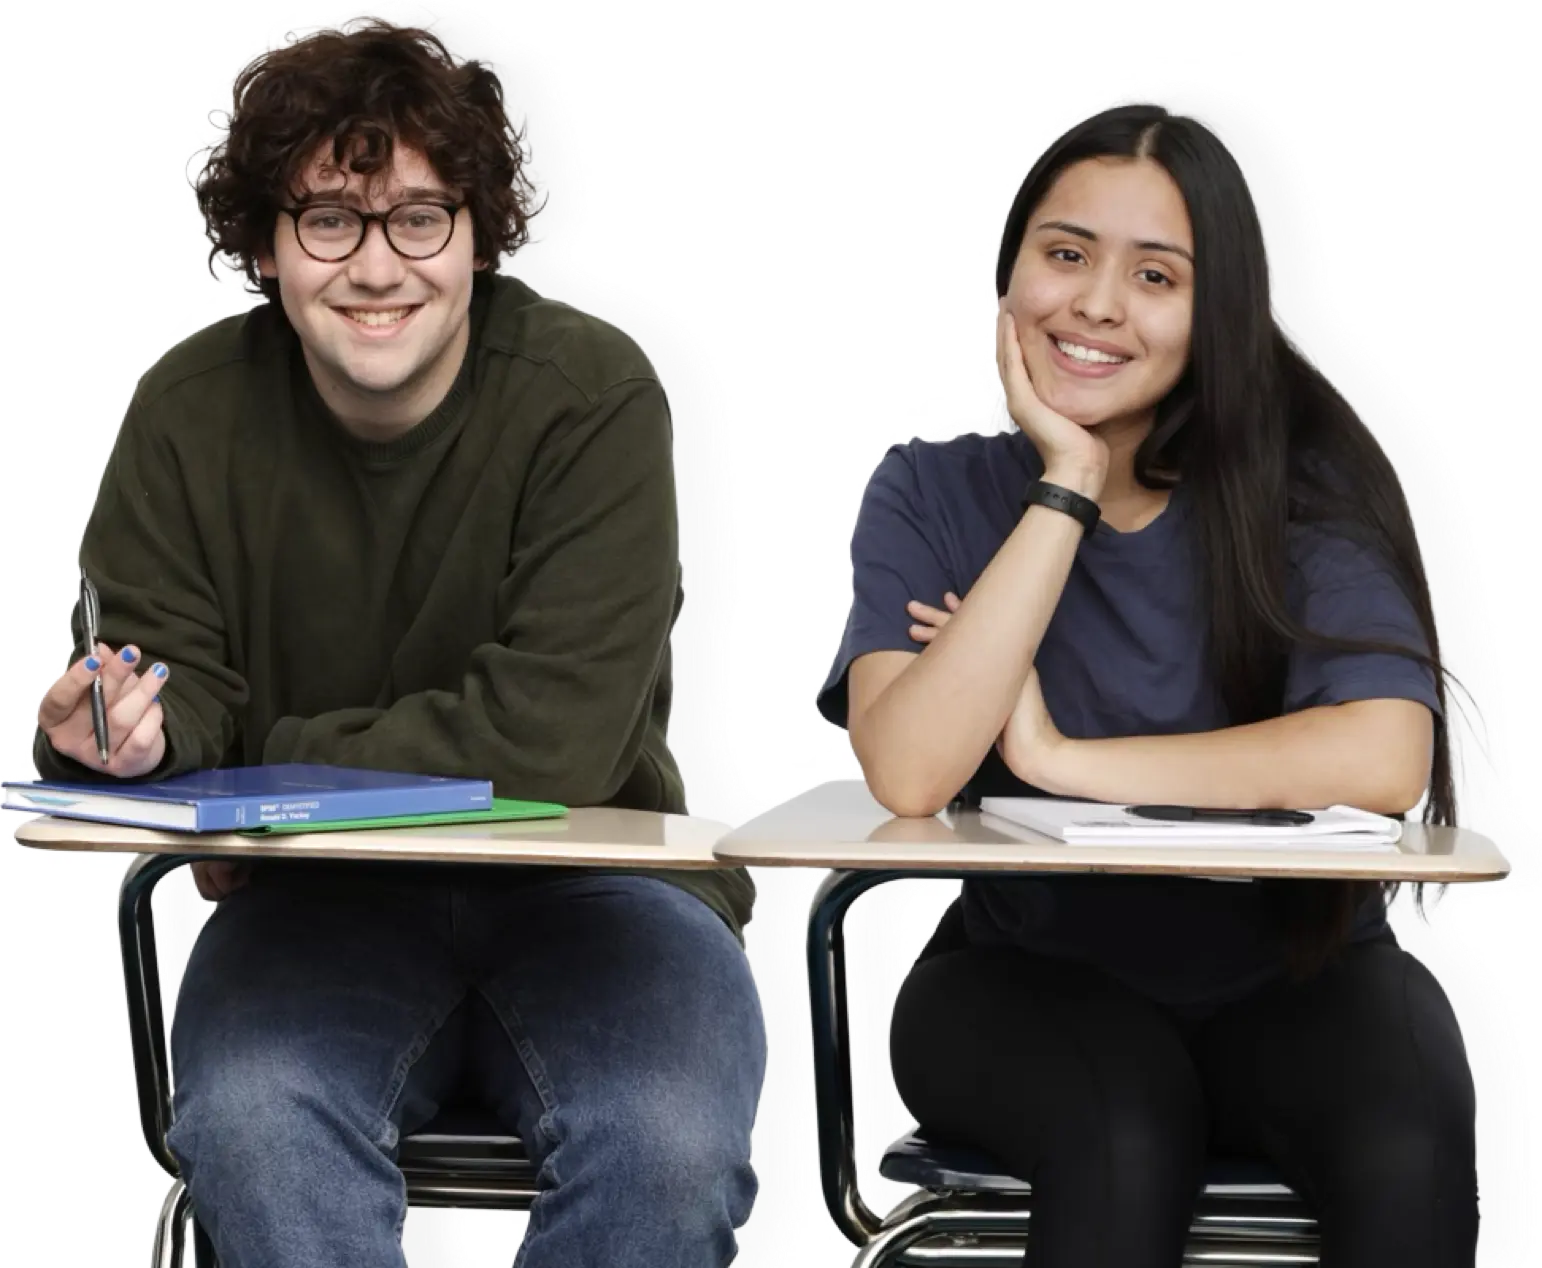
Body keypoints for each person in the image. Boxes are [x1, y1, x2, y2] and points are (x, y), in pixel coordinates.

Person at [31, 20, 764, 1268]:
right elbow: (167, 682)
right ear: (267, 242)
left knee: (664, 1142)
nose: (377, 266)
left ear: (479, 231)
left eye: (419, 217)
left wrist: (260, 764)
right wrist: (124, 742)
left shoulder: (590, 395)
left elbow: (554, 740)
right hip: (318, 902)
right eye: (329, 219)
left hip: (599, 890)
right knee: (259, 1125)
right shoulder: (189, 411)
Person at [817, 103, 1479, 1268]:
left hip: (1300, 974)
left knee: (1409, 1135)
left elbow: (1385, 756)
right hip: (1022, 979)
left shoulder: (1301, 490)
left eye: (1155, 276)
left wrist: (1060, 759)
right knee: (1123, 1132)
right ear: (1011, 270)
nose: (1097, 303)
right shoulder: (932, 492)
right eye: (1066, 254)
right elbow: (911, 770)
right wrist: (1066, 482)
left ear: (1215, 312)